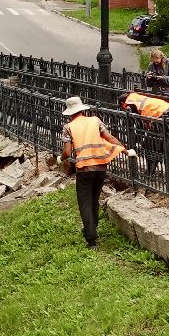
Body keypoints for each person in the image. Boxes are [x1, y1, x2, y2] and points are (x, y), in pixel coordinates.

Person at [59, 96, 132, 247]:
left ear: (70, 113)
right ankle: (93, 228)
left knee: (84, 202)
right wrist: (126, 151)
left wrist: (61, 158)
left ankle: (91, 239)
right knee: (94, 199)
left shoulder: (68, 127)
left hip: (84, 169)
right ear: (82, 109)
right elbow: (110, 138)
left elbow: (67, 151)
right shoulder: (95, 120)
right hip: (100, 167)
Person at [120, 90, 169, 173]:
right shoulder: (136, 97)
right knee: (162, 145)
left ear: (122, 103)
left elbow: (139, 125)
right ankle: (167, 173)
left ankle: (150, 172)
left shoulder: (130, 103)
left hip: (160, 115)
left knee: (149, 145)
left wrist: (135, 141)